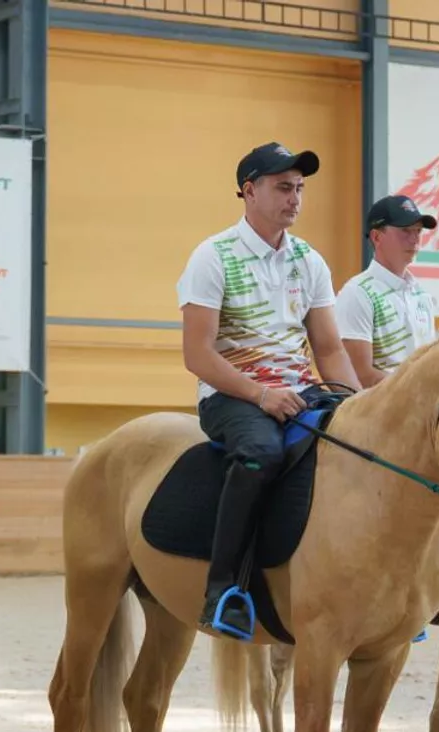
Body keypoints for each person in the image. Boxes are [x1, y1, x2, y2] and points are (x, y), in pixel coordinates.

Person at [177, 142, 360, 637]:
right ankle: (223, 591)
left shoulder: (309, 260)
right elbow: (198, 356)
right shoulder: (212, 257)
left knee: (363, 447)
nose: (295, 198)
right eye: (284, 187)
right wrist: (261, 395)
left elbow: (328, 348)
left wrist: (359, 402)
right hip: (232, 396)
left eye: (299, 188)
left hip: (301, 389)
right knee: (260, 453)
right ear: (249, 190)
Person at [335, 194, 439, 387]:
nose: (415, 239)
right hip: (377, 412)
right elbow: (360, 375)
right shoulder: (357, 293)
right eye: (406, 231)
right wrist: (417, 390)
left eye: (418, 231)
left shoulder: (421, 295)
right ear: (376, 236)